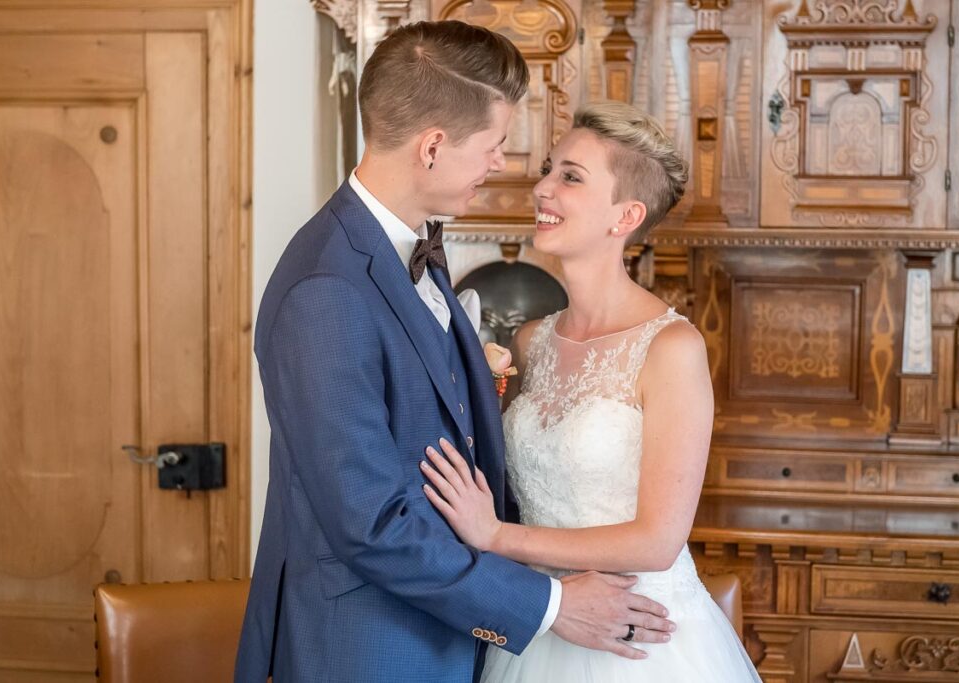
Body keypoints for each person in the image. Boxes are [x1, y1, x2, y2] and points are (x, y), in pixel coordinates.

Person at [235, 23, 676, 683]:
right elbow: (372, 522)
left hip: (454, 631)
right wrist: (551, 602)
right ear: (434, 146)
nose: (504, 164)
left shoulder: (409, 250)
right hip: (370, 648)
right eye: (494, 145)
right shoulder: (324, 289)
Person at [421, 100, 762, 681]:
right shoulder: (531, 342)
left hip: (640, 640)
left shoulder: (671, 348)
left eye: (570, 177)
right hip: (541, 624)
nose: (543, 188)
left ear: (625, 215)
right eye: (549, 169)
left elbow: (657, 540)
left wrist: (498, 536)